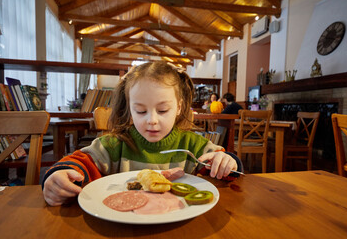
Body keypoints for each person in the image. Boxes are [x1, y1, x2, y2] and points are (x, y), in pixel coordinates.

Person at [42, 62, 243, 206]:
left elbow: (224, 171)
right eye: (140, 111)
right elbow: (80, 162)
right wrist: (59, 177)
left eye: (163, 110)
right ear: (130, 109)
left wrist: (226, 162)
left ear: (179, 107)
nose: (152, 120)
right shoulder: (116, 144)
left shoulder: (193, 146)